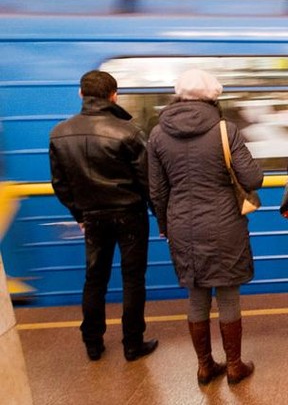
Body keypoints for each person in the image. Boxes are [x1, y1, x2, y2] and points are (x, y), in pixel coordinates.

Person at [148, 69, 263, 384]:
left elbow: (157, 192)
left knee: (196, 296)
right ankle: (235, 365)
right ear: (213, 97)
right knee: (228, 294)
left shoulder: (157, 134)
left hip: (182, 226)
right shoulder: (225, 130)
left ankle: (204, 365)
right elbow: (253, 179)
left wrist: (164, 225)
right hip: (225, 223)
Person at [49, 70, 157, 362]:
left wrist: (80, 214)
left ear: (81, 95)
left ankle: (93, 343)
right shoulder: (129, 132)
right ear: (114, 96)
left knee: (95, 278)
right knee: (133, 279)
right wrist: (160, 217)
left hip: (93, 217)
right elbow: (147, 182)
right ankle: (133, 344)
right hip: (130, 215)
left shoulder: (59, 133)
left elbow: (60, 185)